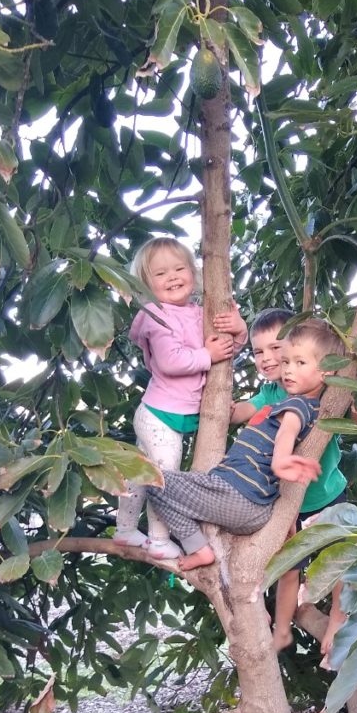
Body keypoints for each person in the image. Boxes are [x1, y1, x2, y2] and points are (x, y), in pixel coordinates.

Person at [145, 319, 348, 574]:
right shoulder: (277, 397)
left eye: (298, 362)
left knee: (152, 481)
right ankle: (200, 547)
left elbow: (288, 431)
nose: (285, 368)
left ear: (325, 370)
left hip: (238, 494)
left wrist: (280, 460)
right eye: (286, 361)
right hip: (251, 503)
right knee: (167, 486)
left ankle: (197, 548)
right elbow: (244, 411)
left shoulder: (297, 404)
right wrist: (222, 406)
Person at [232, 309, 357, 657]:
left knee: (340, 559)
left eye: (277, 349)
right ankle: (279, 627)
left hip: (326, 494)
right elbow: (240, 411)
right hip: (288, 501)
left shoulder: (326, 389)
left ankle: (337, 619)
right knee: (287, 566)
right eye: (259, 352)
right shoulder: (272, 393)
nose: (270, 360)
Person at [115, 238, 247, 559]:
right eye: (160, 274)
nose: (172, 277)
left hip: (175, 415)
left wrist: (239, 330)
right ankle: (157, 539)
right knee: (164, 478)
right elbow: (170, 361)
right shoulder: (155, 314)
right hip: (160, 415)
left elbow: (226, 350)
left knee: (142, 474)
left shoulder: (198, 313)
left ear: (193, 272)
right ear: (146, 285)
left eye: (179, 268)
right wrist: (207, 354)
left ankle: (125, 530)